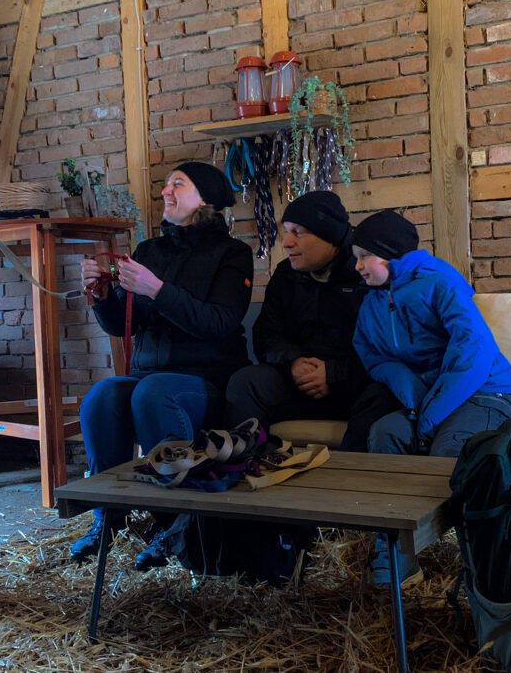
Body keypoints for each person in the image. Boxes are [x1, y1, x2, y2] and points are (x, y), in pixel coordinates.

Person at [71, 162, 253, 566]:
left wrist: (156, 289)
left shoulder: (233, 255)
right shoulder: (149, 251)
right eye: (166, 185)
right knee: (101, 396)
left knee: (154, 393)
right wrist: (102, 296)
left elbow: (219, 323)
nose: (165, 192)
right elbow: (124, 325)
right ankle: (109, 517)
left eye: (177, 184)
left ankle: (177, 524)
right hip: (147, 374)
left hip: (204, 377)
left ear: (203, 198)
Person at [350, 210, 511, 588]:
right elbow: (374, 357)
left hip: (483, 391)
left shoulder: (440, 282)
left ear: (389, 254)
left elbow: (472, 351)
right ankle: (396, 549)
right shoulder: (373, 305)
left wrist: (429, 416)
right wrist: (410, 391)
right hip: (427, 399)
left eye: (364, 255)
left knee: (451, 452)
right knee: (384, 433)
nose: (357, 265)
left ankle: (482, 564)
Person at [226, 191, 400, 451]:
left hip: (355, 387)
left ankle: (352, 479)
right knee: (247, 382)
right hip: (299, 383)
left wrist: (334, 375)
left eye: (298, 232)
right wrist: (293, 361)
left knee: (385, 393)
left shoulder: (367, 274)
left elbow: (390, 351)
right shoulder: (286, 275)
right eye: (285, 231)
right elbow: (266, 335)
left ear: (329, 235)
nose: (286, 242)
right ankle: (249, 468)